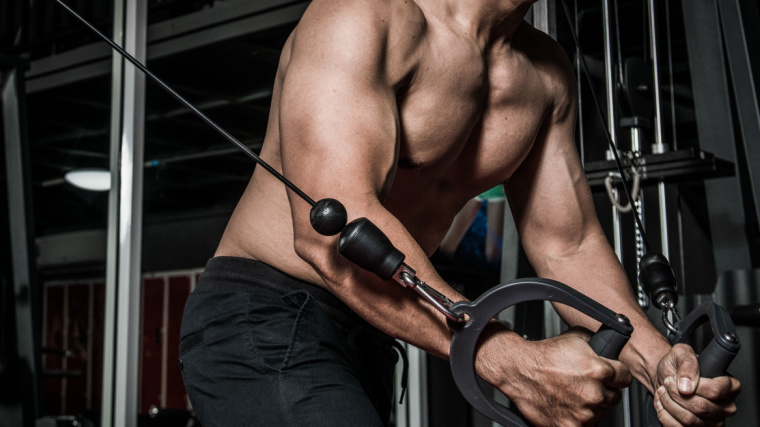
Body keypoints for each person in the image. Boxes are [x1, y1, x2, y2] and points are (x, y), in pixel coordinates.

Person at [179, 0, 741, 425]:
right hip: (263, 313)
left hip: (377, 328)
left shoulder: (545, 74)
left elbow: (569, 246)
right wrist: (502, 356)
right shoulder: (368, 15)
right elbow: (333, 226)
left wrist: (664, 367)